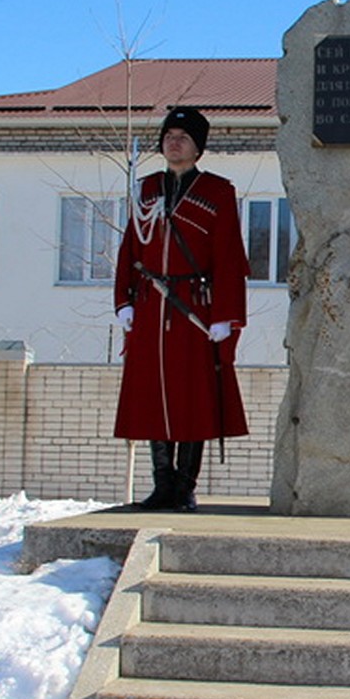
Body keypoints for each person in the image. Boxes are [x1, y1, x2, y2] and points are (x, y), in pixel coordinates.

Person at [113, 106, 249, 511]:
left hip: (194, 308)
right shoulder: (146, 189)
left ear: (198, 148)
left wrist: (226, 315)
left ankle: (185, 486)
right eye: (169, 135)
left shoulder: (218, 192)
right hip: (151, 306)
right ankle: (161, 485)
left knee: (193, 397)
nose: (174, 142)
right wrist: (123, 300)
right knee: (154, 396)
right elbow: (129, 248)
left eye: (183, 137)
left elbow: (228, 257)